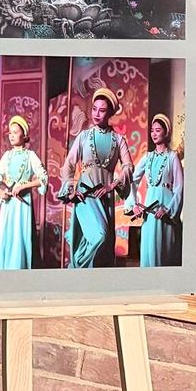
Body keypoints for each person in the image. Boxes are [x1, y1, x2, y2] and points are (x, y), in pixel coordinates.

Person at [58, 87, 134, 269]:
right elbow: (69, 164)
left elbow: (129, 166)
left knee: (102, 248)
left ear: (110, 113)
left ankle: (86, 276)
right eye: (94, 109)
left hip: (105, 198)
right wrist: (70, 189)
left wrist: (113, 185)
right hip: (85, 196)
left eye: (102, 110)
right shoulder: (84, 137)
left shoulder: (118, 140)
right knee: (99, 235)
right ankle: (76, 268)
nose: (96, 114)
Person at [0, 115, 48, 270]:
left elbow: (43, 178)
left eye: (16, 132)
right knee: (4, 238)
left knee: (20, 239)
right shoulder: (7, 156)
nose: (12, 135)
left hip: (23, 208)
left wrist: (25, 186)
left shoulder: (30, 156)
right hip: (8, 206)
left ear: (24, 135)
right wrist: (0, 191)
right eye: (10, 132)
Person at [124, 113, 184, 267]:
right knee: (149, 250)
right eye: (152, 130)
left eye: (158, 130)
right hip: (150, 213)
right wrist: (134, 204)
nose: (154, 134)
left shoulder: (172, 158)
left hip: (165, 211)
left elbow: (179, 188)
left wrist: (169, 209)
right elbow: (132, 180)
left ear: (166, 132)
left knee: (164, 252)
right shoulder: (147, 157)